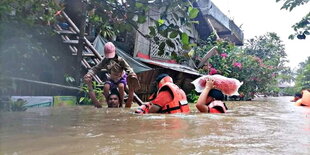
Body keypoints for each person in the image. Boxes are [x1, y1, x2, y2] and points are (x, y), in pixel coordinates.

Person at [84, 42, 138, 108]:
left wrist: (132, 74)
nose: (113, 101)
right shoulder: (105, 60)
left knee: (121, 86)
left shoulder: (120, 60)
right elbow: (95, 68)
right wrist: (89, 75)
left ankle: (121, 103)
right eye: (111, 99)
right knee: (106, 87)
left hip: (121, 77)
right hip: (112, 78)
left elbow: (128, 68)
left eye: (115, 99)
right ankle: (109, 103)